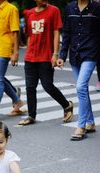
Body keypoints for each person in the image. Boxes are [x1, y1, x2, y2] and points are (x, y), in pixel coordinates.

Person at [18, 0, 74, 126]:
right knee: (30, 87)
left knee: (47, 85)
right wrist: (28, 50)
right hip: (31, 56)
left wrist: (55, 54)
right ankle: (31, 115)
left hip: (46, 56)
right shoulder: (30, 13)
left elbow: (56, 32)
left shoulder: (54, 10)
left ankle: (67, 105)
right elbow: (29, 35)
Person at [57, 0, 100, 140]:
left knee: (80, 87)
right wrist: (62, 55)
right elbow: (67, 33)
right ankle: (91, 122)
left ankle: (81, 126)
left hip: (91, 53)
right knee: (83, 89)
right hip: (75, 54)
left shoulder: (97, 7)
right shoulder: (70, 7)